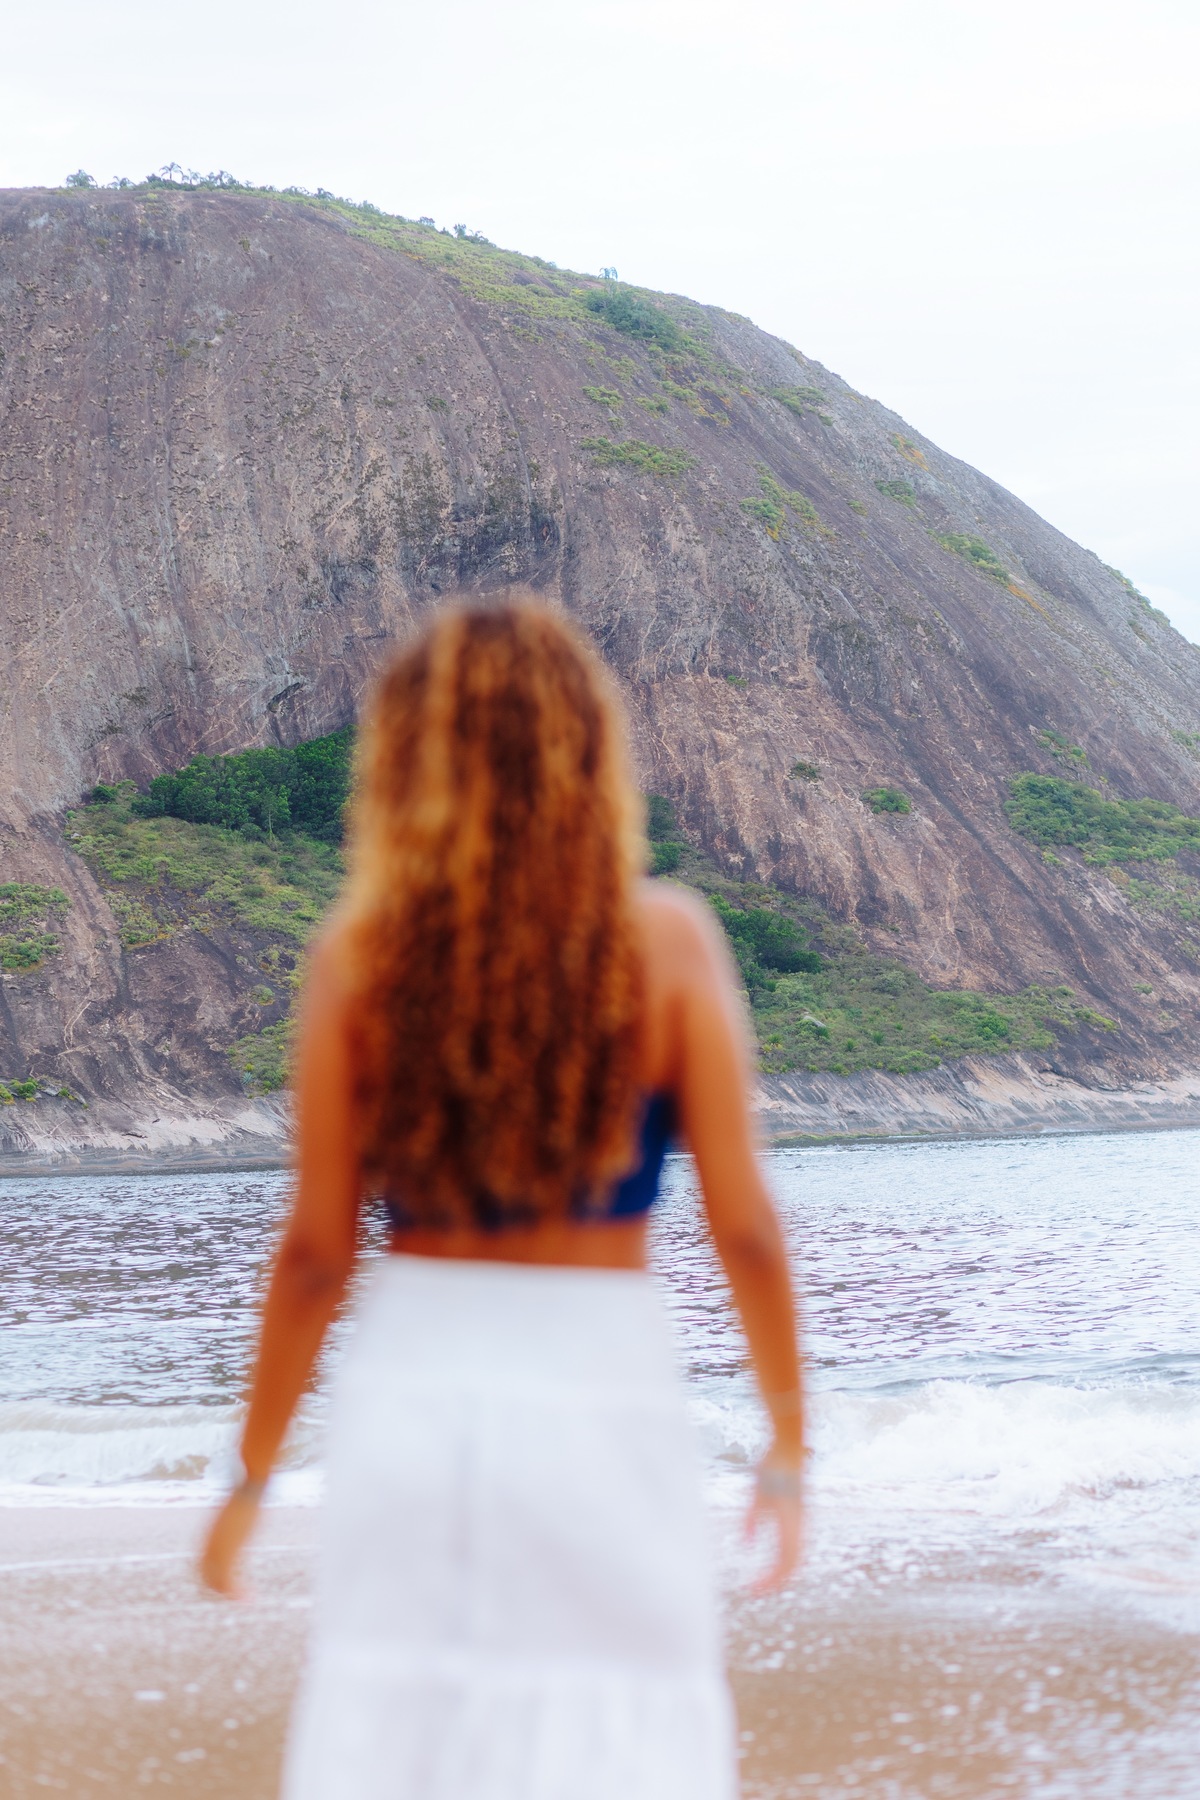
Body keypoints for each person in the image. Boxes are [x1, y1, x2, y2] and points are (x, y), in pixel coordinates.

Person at [200, 597, 804, 1800]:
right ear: (588, 747)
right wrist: (787, 1448)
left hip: (417, 1386)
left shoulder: (356, 959)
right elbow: (746, 1233)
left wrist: (251, 1480)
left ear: (404, 761)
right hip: (604, 1383)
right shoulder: (671, 945)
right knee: (621, 1734)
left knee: (409, 1739)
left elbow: (315, 1259)